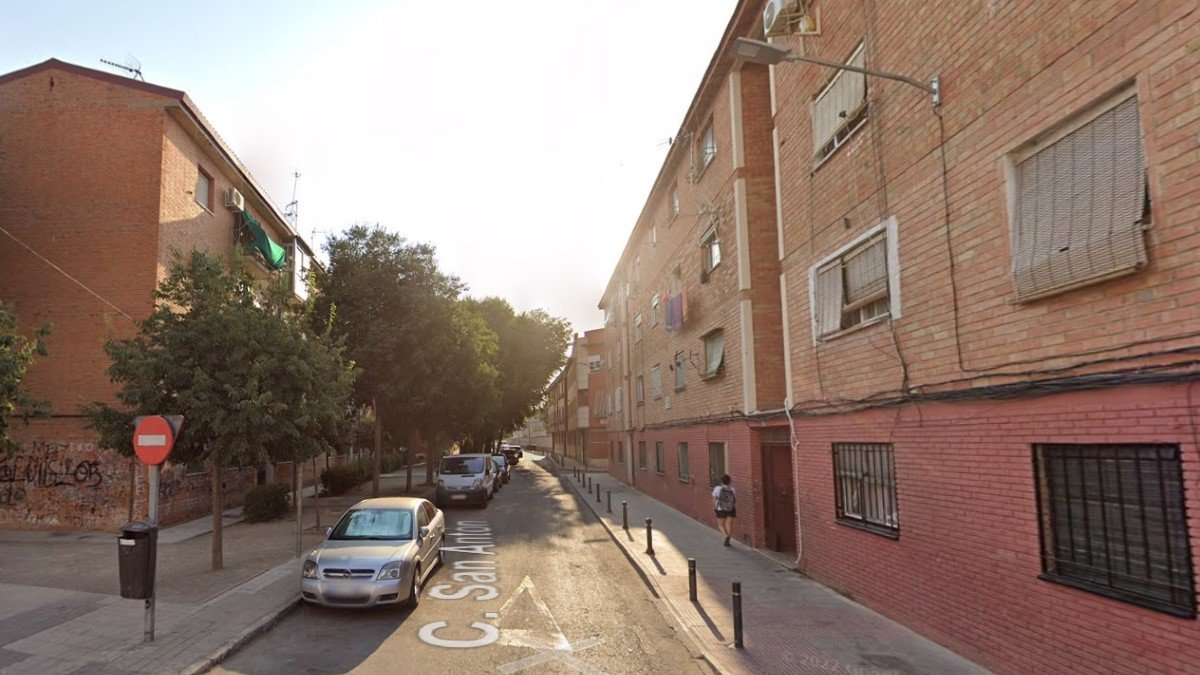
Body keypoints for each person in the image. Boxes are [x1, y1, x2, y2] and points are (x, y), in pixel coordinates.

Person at [712, 474, 736, 547]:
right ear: (729, 482)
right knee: (729, 525)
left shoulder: (717, 488)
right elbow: (734, 500)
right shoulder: (732, 489)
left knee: (720, 525)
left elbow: (714, 499)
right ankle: (729, 537)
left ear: (721, 481)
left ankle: (725, 536)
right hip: (731, 509)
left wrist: (716, 506)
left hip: (721, 509)